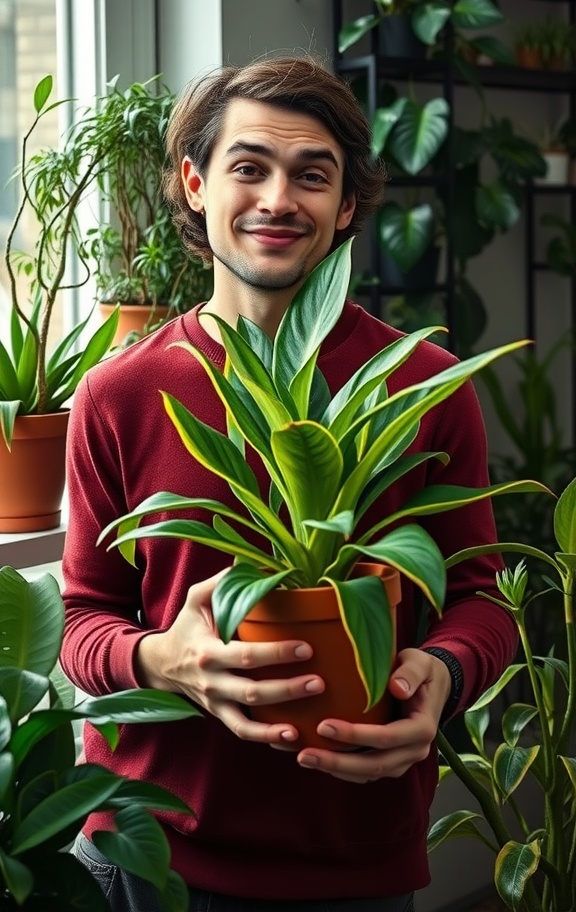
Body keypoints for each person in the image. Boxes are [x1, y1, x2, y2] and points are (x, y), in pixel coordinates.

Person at [61, 54, 517, 912]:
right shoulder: (118, 392)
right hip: (150, 854)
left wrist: (443, 678)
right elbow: (82, 618)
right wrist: (165, 659)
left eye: (313, 175)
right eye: (248, 168)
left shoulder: (421, 383)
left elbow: (481, 598)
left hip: (355, 858)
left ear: (345, 206)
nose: (278, 199)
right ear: (196, 185)